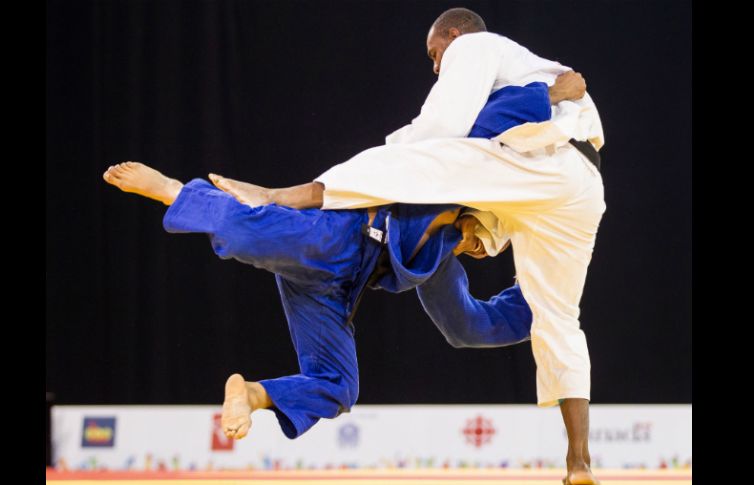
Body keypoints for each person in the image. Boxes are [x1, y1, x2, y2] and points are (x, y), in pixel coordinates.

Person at [206, 9, 604, 485]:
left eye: (435, 53)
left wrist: (403, 154)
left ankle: (276, 194)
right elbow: (495, 130)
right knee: (555, 320)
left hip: (525, 170)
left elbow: (443, 126)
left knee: (405, 160)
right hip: (580, 185)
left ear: (453, 35)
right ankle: (578, 463)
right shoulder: (534, 73)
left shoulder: (474, 45)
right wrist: (483, 229)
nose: (436, 65)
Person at [103, 161, 532, 443]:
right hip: (340, 236)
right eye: (480, 242)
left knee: (339, 386)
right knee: (246, 233)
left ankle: (253, 394)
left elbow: (469, 325)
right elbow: (346, 181)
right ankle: (175, 191)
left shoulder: (440, 262)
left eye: (481, 251)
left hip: (333, 289)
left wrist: (543, 303)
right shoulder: (444, 180)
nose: (475, 251)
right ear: (480, 213)